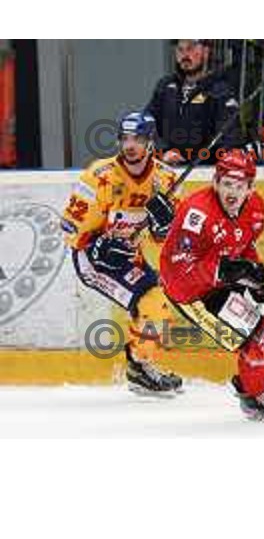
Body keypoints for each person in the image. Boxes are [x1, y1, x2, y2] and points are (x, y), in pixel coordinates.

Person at [159, 149, 264, 420]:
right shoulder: (195, 214)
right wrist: (226, 270)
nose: (232, 193)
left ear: (251, 188)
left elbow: (243, 247)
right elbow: (177, 273)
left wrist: (258, 275)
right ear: (215, 182)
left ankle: (254, 386)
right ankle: (254, 397)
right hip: (189, 293)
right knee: (253, 340)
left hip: (219, 281)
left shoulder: (256, 209)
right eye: (227, 184)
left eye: (240, 186)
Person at [62, 111, 182, 395]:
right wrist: (97, 244)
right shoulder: (98, 176)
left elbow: (162, 239)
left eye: (138, 139)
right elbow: (69, 226)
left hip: (129, 257)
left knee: (158, 308)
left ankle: (139, 364)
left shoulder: (165, 180)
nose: (130, 145)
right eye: (125, 138)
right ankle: (139, 367)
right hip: (93, 259)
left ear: (151, 142)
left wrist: (165, 227)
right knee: (153, 306)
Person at [146, 39, 240, 165]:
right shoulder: (165, 86)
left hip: (203, 173)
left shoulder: (220, 90)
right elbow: (146, 122)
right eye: (180, 49)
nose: (185, 55)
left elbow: (228, 140)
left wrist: (200, 162)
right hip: (166, 171)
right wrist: (163, 151)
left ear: (206, 51)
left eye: (190, 48)